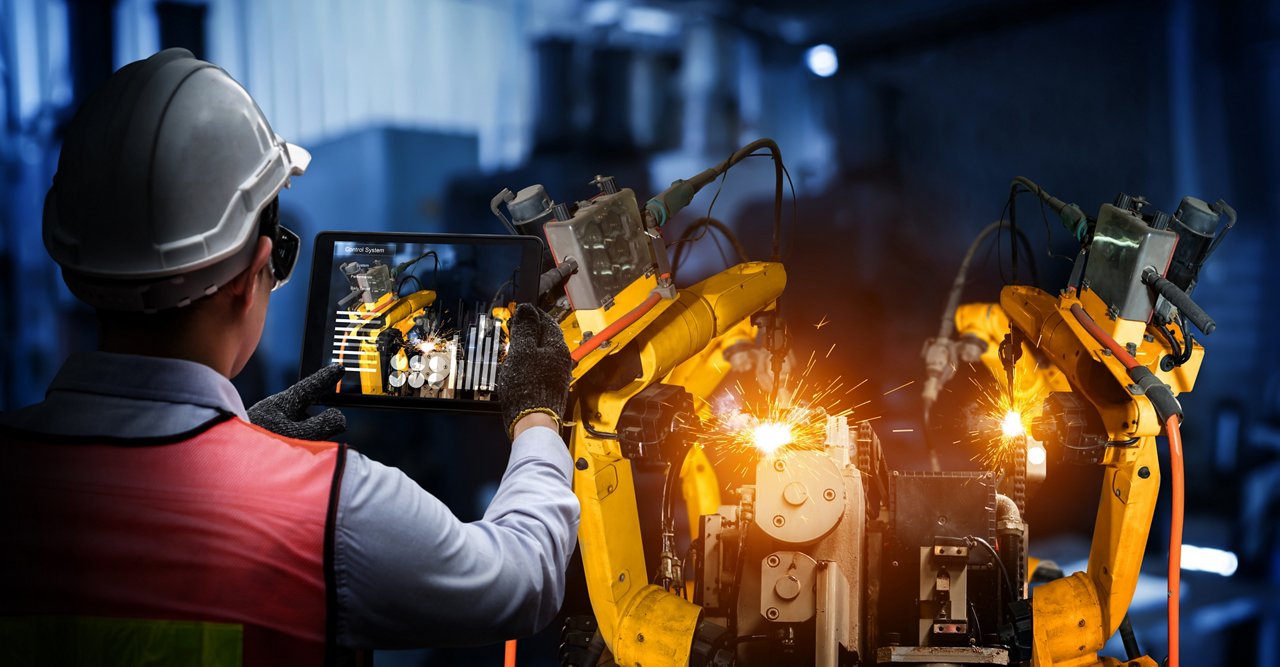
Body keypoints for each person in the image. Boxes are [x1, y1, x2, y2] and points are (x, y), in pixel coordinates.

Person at [0, 48, 578, 665]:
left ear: (75, 268)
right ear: (253, 276)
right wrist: (538, 415)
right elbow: (522, 581)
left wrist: (244, 440)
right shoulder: (330, 505)